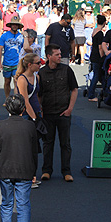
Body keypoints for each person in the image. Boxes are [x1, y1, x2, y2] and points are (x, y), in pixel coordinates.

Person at [0, 94, 38, 222]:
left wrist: (0, 162)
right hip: (25, 169)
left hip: (5, 169)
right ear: (23, 109)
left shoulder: (1, 126)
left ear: (7, 108)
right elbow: (34, 152)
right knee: (23, 205)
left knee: (6, 202)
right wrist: (33, 171)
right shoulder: (30, 126)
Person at [39, 44, 78, 182]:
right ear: (49, 56)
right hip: (48, 114)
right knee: (48, 143)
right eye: (57, 54)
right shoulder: (42, 73)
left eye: (60, 54)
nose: (60, 56)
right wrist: (40, 110)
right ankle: (46, 171)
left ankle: (66, 171)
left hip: (63, 113)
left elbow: (74, 89)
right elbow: (39, 94)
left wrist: (70, 109)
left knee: (65, 144)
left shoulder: (67, 70)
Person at [15, 53, 42, 189]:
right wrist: (34, 118)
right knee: (26, 147)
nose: (40, 64)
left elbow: (36, 96)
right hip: (26, 116)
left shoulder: (36, 77)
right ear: (30, 64)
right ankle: (26, 177)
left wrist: (40, 113)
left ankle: (32, 176)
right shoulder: (22, 79)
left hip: (36, 113)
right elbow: (25, 100)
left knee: (34, 147)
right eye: (38, 63)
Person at [0, 16, 25, 99]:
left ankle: (15, 99)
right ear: (10, 25)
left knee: (16, 82)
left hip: (18, 63)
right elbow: (0, 50)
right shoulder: (4, 36)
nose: (15, 26)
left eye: (16, 25)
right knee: (7, 82)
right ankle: (7, 98)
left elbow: (24, 49)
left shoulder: (21, 36)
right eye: (13, 24)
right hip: (7, 62)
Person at [87, 14, 107, 102]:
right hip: (97, 55)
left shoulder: (94, 30)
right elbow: (100, 47)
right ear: (104, 23)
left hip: (93, 53)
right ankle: (91, 94)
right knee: (97, 75)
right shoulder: (100, 33)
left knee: (97, 74)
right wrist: (102, 56)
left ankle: (103, 91)